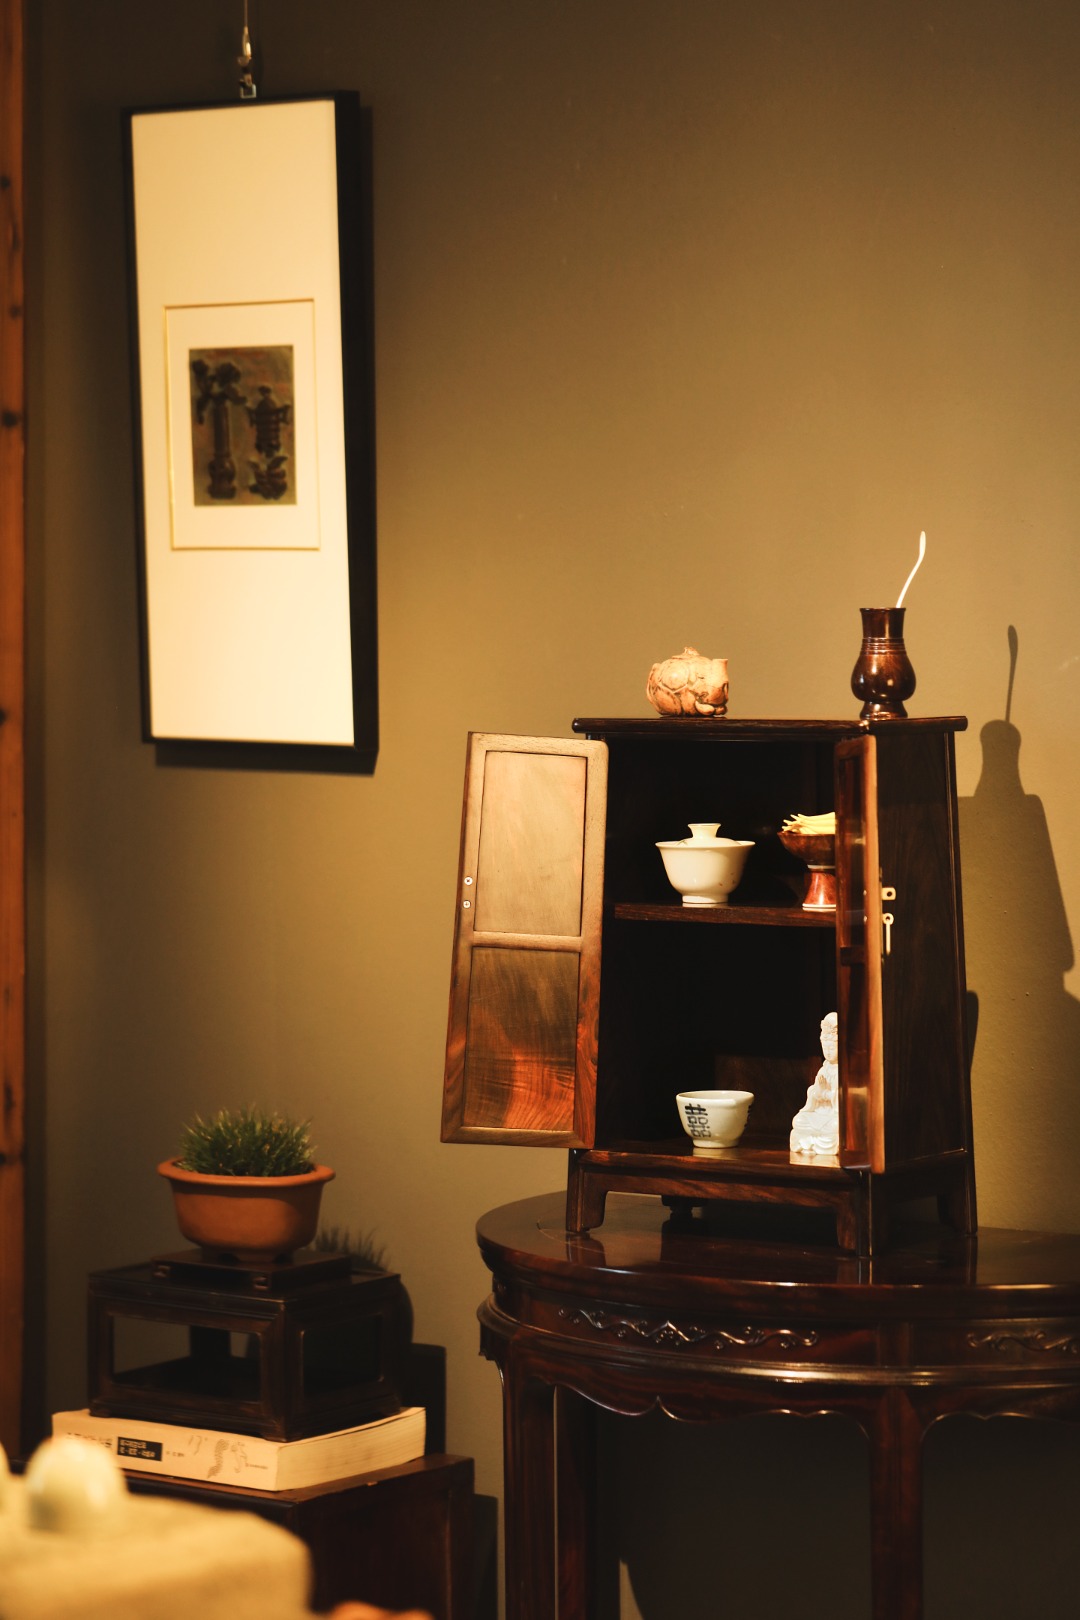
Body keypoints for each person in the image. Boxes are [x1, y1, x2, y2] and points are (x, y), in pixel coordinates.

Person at [790, 1011, 839, 1155]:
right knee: (799, 1120)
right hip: (820, 1113)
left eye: (832, 1048)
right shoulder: (823, 1070)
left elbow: (843, 1101)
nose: (828, 1052)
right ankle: (811, 1142)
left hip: (832, 1117)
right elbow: (813, 1094)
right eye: (825, 1048)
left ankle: (814, 1142)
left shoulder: (844, 1072)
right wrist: (817, 1093)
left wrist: (827, 1094)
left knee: (837, 1125)